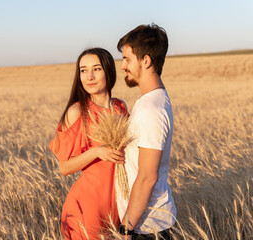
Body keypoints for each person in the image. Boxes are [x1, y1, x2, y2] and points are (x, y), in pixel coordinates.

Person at [49, 48, 128, 239]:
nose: (89, 77)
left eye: (96, 69)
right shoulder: (77, 111)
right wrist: (96, 152)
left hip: (119, 205)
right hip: (87, 208)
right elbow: (64, 167)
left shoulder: (120, 107)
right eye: (83, 70)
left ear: (108, 71)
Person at [116, 24, 176, 239]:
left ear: (146, 61)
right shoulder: (148, 101)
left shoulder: (152, 109)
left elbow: (148, 176)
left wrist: (126, 227)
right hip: (144, 224)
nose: (123, 66)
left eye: (127, 59)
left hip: (148, 228)